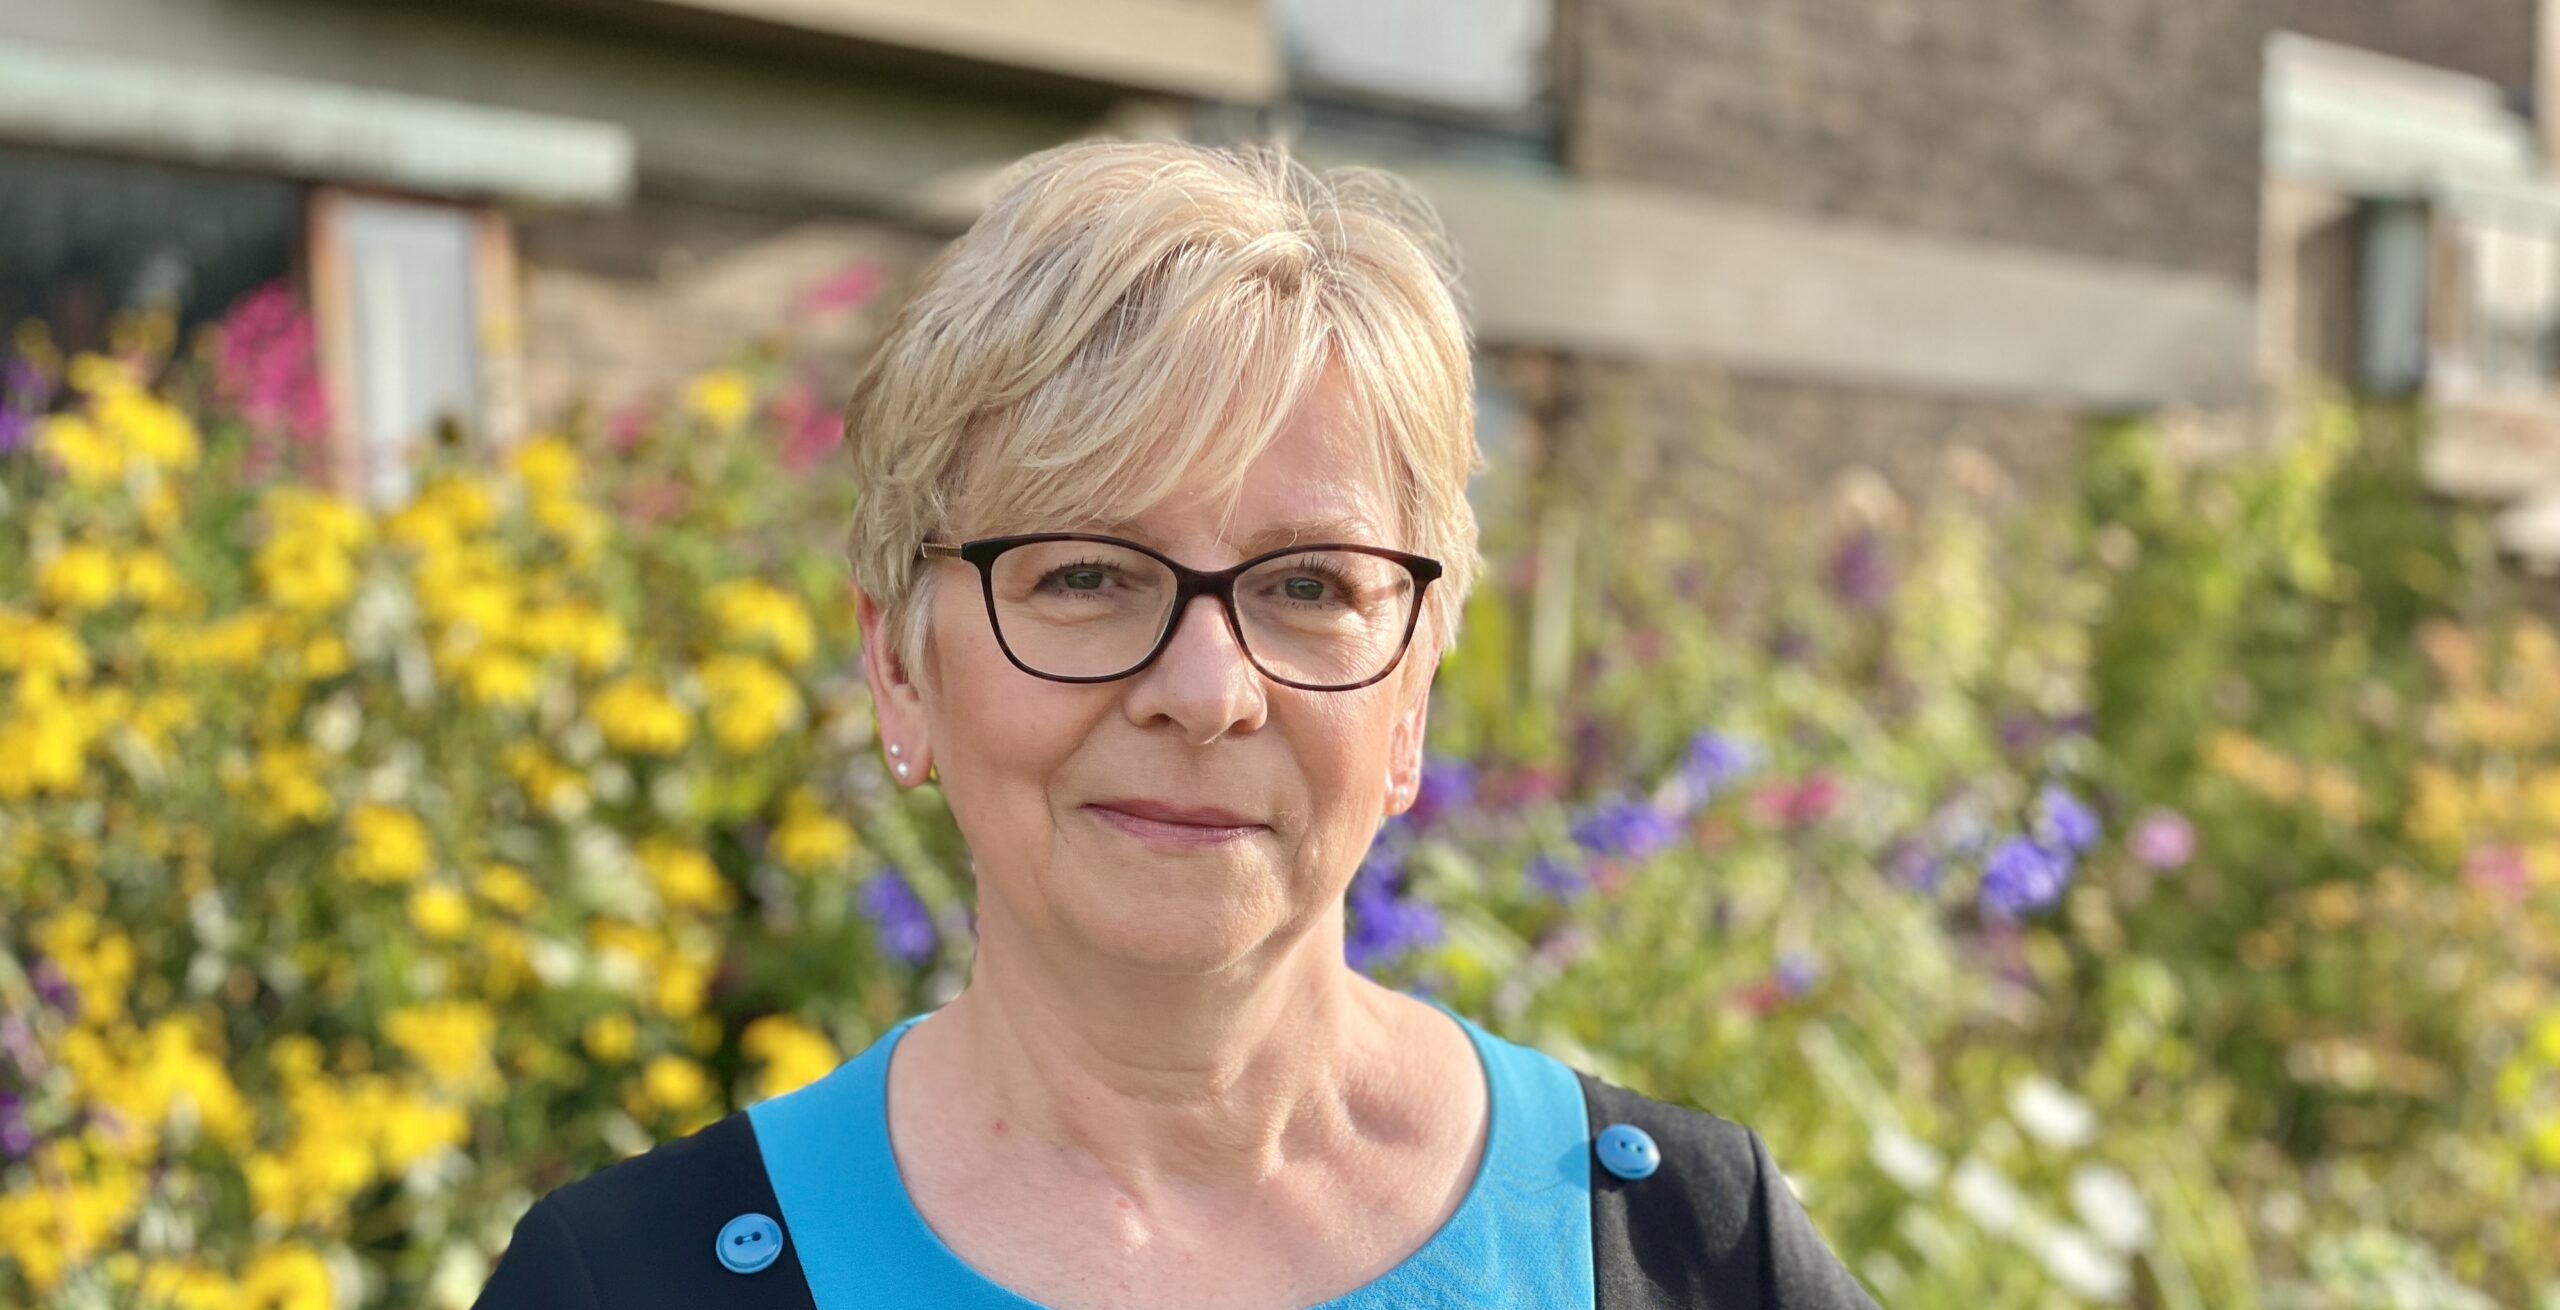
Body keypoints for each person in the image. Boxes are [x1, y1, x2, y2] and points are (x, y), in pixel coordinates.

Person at [473, 138, 1876, 1310]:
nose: (1207, 691)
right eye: (1086, 573)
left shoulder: (1682, 1246)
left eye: (1310, 584)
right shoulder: (631, 1280)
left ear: (1412, 688)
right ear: (900, 661)